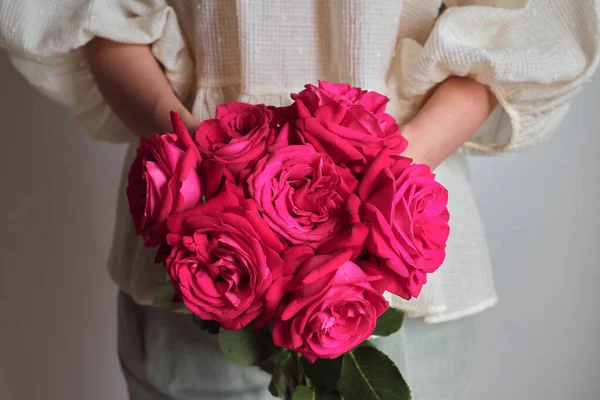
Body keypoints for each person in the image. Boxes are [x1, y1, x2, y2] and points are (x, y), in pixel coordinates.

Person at [1, 1, 598, 399]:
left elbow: (513, 26)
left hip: (402, 267)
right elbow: (97, 16)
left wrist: (381, 180)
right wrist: (207, 172)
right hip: (200, 262)